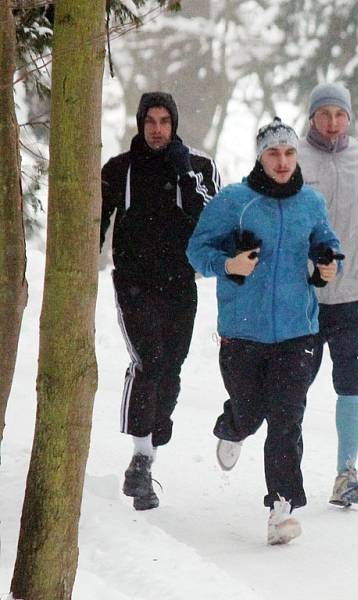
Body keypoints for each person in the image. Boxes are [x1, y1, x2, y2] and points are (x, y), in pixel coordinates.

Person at [187, 117, 341, 545]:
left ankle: (281, 508)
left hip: (299, 333)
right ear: (260, 156)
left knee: (287, 419)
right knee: (252, 412)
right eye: (273, 153)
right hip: (243, 333)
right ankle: (233, 425)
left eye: (289, 153)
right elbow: (197, 252)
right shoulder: (235, 200)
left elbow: (328, 248)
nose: (282, 161)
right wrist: (228, 265)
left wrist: (327, 265)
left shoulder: (310, 203)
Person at [101, 92, 220, 511]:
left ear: (175, 124)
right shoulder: (119, 169)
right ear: (139, 123)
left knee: (172, 366)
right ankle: (140, 459)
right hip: (134, 284)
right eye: (150, 120)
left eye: (164, 121)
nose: (157, 129)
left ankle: (150, 447)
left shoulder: (199, 166)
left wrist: (184, 172)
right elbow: (93, 223)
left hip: (180, 283)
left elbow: (209, 218)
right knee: (148, 360)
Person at [298, 82, 358, 507]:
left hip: (354, 288)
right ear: (312, 118)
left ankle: (347, 472)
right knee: (293, 385)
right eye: (325, 114)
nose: (333, 122)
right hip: (303, 293)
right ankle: (288, 471)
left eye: (340, 115)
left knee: (354, 378)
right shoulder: (292, 158)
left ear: (350, 118)